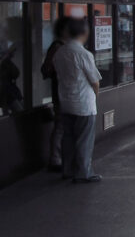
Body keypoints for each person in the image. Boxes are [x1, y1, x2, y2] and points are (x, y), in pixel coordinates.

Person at [53, 17, 102, 183]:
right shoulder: (83, 54)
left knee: (68, 139)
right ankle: (83, 173)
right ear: (85, 32)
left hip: (65, 102)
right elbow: (94, 81)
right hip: (83, 104)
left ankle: (67, 170)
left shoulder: (60, 52)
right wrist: (96, 94)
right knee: (84, 140)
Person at [40, 17, 67, 171]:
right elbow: (46, 70)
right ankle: (55, 158)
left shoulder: (63, 46)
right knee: (61, 124)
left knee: (62, 124)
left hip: (64, 91)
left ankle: (60, 156)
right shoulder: (58, 47)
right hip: (61, 92)